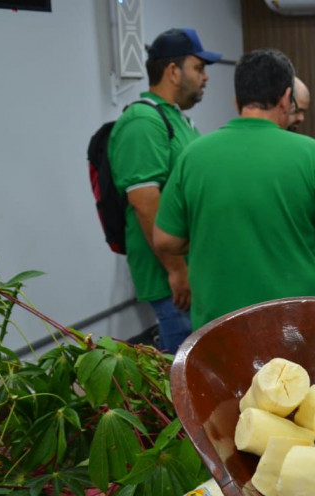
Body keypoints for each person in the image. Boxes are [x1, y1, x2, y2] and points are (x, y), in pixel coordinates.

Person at [152, 48, 315, 331]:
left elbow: (166, 240)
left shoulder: (193, 155)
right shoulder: (309, 153)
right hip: (294, 325)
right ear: (286, 98)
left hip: (217, 328)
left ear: (236, 100)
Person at [108, 28, 221, 352]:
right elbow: (145, 202)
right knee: (183, 361)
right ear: (173, 71)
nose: (205, 77)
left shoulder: (177, 119)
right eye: (198, 68)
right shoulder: (143, 121)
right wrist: (177, 269)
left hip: (191, 269)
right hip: (172, 279)